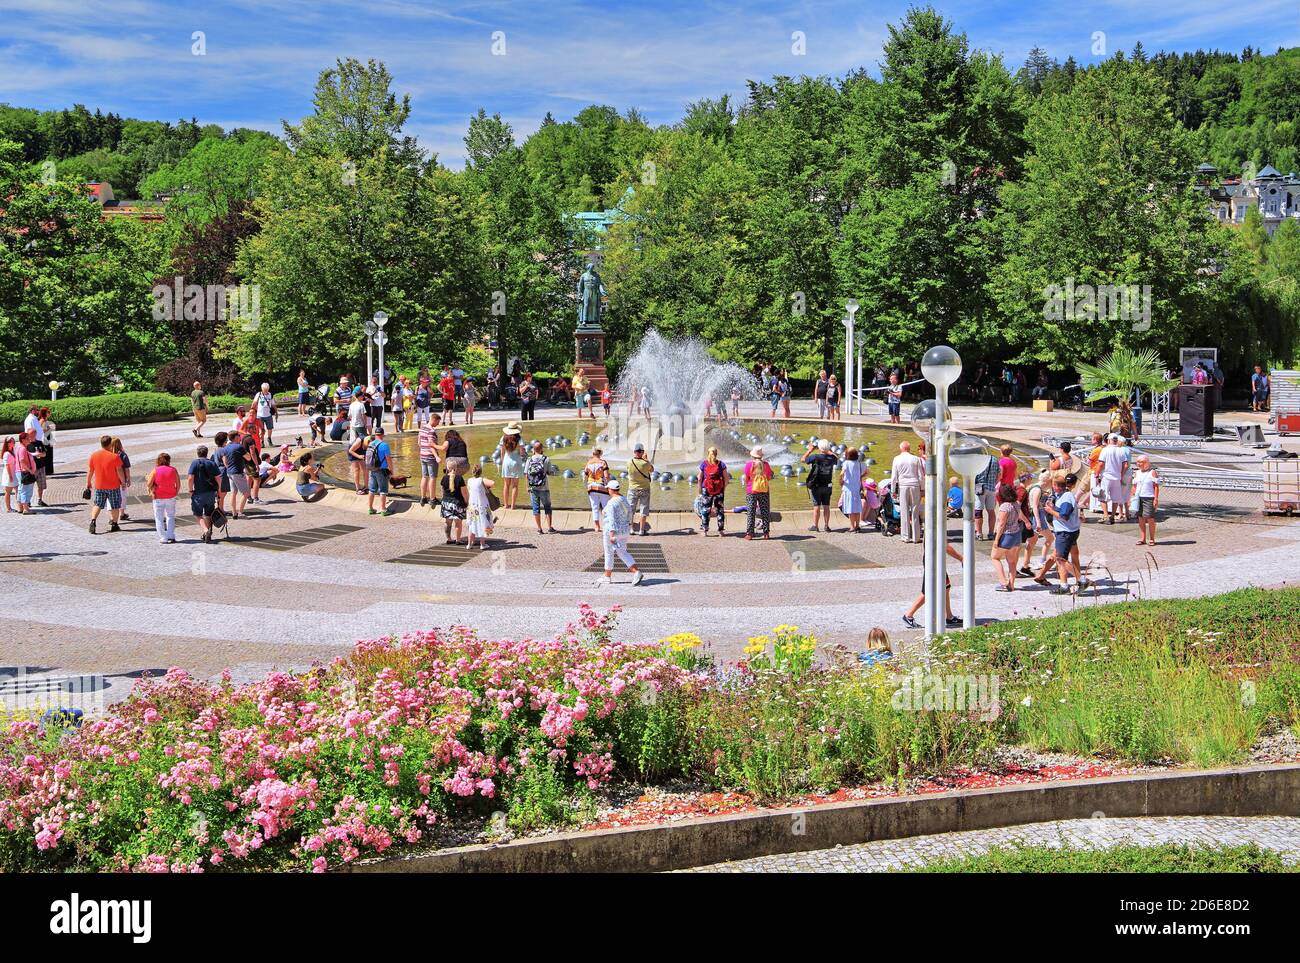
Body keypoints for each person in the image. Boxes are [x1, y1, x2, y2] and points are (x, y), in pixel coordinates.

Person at [1039, 471, 1083, 594]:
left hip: (1065, 532)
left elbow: (1064, 516)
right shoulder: (1064, 496)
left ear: (1056, 486)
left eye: (1053, 485)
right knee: (1063, 558)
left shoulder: (1066, 498)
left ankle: (1082, 580)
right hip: (1069, 531)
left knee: (1060, 559)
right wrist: (1053, 508)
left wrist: (1050, 510)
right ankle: (1064, 585)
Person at [902, 543, 964, 629]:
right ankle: (908, 615)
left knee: (946, 587)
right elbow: (945, 545)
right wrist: (961, 558)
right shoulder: (937, 529)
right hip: (933, 562)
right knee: (928, 591)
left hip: (935, 560)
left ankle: (949, 617)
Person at [598, 479, 643, 586]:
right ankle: (636, 572)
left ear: (611, 489)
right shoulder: (624, 499)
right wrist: (628, 525)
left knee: (609, 552)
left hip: (613, 531)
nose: (608, 490)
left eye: (608, 489)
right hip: (624, 530)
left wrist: (612, 535)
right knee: (622, 552)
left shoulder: (611, 503)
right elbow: (630, 513)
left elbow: (611, 519)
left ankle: (607, 576)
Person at [990, 483, 1029, 592]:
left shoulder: (1004, 506)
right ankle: (1011, 585)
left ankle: (1003, 582)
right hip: (1016, 535)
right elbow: (1020, 515)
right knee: (1012, 562)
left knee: (995, 557)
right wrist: (1027, 522)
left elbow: (1002, 524)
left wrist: (996, 540)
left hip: (1006, 535)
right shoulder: (1016, 504)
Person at [890, 441, 925, 543]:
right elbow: (920, 476)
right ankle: (916, 537)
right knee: (915, 511)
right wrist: (922, 488)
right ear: (909, 448)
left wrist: (893, 490)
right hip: (915, 485)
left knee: (904, 511)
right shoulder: (916, 459)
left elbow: (894, 477)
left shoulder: (896, 459)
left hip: (903, 486)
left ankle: (905, 536)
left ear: (901, 448)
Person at [802, 438, 839, 532]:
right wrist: (829, 451)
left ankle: (815, 526)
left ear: (819, 447)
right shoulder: (832, 458)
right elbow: (837, 458)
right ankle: (826, 526)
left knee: (816, 506)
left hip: (816, 485)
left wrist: (809, 450)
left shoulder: (815, 457)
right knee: (826, 506)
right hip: (828, 486)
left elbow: (803, 460)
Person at [187, 445, 221, 543]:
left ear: (198, 453)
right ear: (206, 453)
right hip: (211, 492)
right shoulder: (212, 463)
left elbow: (190, 478)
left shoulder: (194, 463)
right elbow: (218, 478)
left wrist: (190, 490)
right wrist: (218, 491)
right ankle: (208, 534)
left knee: (197, 514)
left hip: (198, 493)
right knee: (208, 513)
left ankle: (206, 530)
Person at [146, 452, 180, 543]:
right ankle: (171, 535)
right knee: (170, 516)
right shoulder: (173, 470)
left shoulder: (155, 470)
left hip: (158, 497)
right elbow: (178, 484)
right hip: (171, 496)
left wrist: (151, 488)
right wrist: (175, 492)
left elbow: (149, 484)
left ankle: (163, 537)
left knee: (159, 518)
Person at [524, 440, 555, 534]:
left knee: (536, 508)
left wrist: (527, 486)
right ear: (542, 449)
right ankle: (550, 528)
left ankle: (539, 529)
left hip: (533, 488)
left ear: (533, 449)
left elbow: (526, 474)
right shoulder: (546, 459)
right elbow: (549, 472)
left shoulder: (529, 459)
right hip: (544, 487)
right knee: (547, 507)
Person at [698, 446, 730, 536]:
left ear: (708, 454)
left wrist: (700, 489)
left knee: (705, 509)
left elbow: (699, 478)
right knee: (719, 510)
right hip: (719, 490)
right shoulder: (721, 464)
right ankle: (720, 531)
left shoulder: (704, 464)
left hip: (706, 490)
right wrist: (723, 488)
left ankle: (705, 531)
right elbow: (726, 479)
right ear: (716, 454)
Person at [742, 447, 773, 539]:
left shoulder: (748, 465)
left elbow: (746, 478)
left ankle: (749, 534)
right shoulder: (766, 465)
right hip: (764, 490)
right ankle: (766, 533)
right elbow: (769, 477)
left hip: (751, 490)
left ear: (752, 455)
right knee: (765, 511)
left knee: (751, 512)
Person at [1097, 433, 1128, 524]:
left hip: (1106, 476)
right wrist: (1121, 475)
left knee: (1102, 496)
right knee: (1116, 498)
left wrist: (1096, 474)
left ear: (1109, 440)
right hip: (1117, 477)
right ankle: (1112, 516)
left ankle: (1106, 516)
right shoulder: (1121, 450)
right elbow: (1125, 465)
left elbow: (1101, 464)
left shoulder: (1105, 450)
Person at [494, 422, 524, 511]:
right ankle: (513, 506)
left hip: (506, 461)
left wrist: (503, 462)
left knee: (506, 485)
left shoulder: (503, 438)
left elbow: (502, 452)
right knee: (515, 485)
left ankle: (506, 505)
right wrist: (519, 453)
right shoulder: (519, 439)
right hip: (516, 461)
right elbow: (522, 452)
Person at [1133, 455, 1161, 546]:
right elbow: (1134, 486)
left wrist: (1156, 499)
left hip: (1149, 497)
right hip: (1139, 497)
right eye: (1137, 462)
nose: (1138, 464)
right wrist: (1132, 497)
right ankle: (1143, 538)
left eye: (1140, 462)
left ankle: (1152, 538)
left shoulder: (1152, 472)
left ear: (1146, 463)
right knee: (1140, 518)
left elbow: (1156, 486)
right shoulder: (1137, 472)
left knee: (1150, 518)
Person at [465, 465, 496, 549]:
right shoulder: (481, 480)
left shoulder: (469, 480)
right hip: (482, 506)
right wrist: (485, 482)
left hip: (472, 506)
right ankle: (482, 544)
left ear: (472, 472)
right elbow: (493, 483)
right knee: (484, 523)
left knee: (472, 524)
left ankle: (469, 544)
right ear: (480, 472)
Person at [627, 442, 654, 535]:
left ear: (634, 452)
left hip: (632, 489)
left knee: (631, 509)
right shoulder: (645, 463)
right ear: (642, 452)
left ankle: (631, 529)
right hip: (645, 489)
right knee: (643, 509)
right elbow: (652, 470)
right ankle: (642, 530)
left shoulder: (629, 462)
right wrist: (646, 460)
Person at [365, 427, 393, 516]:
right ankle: (383, 510)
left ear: (375, 434)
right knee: (383, 490)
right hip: (381, 470)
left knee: (372, 489)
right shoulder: (384, 445)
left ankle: (370, 508)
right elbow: (388, 459)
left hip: (372, 469)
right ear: (383, 435)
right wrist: (391, 470)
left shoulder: (371, 443)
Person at [583, 447, 610, 532]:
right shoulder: (603, 462)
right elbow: (606, 476)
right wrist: (608, 484)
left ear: (593, 454)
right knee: (605, 507)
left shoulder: (588, 463)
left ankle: (597, 526)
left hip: (591, 487)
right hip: (601, 486)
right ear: (600, 454)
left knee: (594, 507)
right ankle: (606, 525)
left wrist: (587, 484)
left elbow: (585, 476)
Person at [417, 413, 442, 507]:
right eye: (438, 422)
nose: (438, 424)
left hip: (422, 455)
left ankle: (423, 498)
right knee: (432, 478)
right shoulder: (431, 431)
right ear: (434, 420)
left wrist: (423, 449)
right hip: (431, 457)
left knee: (424, 476)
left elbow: (419, 442)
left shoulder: (422, 428)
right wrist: (436, 456)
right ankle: (432, 499)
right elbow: (431, 445)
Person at [974, 452, 1000, 538]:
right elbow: (999, 474)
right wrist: (993, 483)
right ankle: (991, 533)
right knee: (991, 511)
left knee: (978, 511)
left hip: (979, 487)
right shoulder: (995, 459)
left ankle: (979, 533)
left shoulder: (978, 459)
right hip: (991, 487)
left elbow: (974, 475)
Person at [839, 448, 864, 532]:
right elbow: (867, 472)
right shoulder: (859, 463)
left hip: (848, 488)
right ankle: (857, 525)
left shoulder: (846, 463)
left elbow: (842, 473)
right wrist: (860, 476)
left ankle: (852, 527)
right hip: (857, 488)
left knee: (850, 508)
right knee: (857, 508)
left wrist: (841, 480)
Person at [13, 432, 38, 515]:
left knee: (21, 489)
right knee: (26, 490)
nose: (29, 439)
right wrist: (30, 471)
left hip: (20, 471)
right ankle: (26, 509)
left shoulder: (19, 447)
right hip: (25, 472)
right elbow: (22, 461)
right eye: (27, 438)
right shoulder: (22, 448)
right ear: (23, 440)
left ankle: (21, 507)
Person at [111, 437, 133, 521]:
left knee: (111, 499)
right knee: (122, 496)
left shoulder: (109, 454)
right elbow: (126, 469)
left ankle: (112, 517)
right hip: (121, 480)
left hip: (110, 480)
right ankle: (122, 514)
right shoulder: (123, 455)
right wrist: (128, 479)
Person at [346, 429, 367, 495]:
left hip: (361, 452)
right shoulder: (359, 441)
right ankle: (357, 489)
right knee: (357, 470)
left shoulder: (371, 442)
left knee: (366, 469)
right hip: (352, 451)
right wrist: (359, 456)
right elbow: (350, 451)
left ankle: (366, 487)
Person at [1, 438, 15, 512]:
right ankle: (8, 508)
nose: (14, 442)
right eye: (12, 441)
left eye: (14, 441)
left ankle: (20, 506)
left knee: (16, 490)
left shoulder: (12, 451)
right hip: (9, 475)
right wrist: (10, 476)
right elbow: (7, 466)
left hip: (13, 474)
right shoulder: (6, 453)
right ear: (8, 443)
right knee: (8, 492)